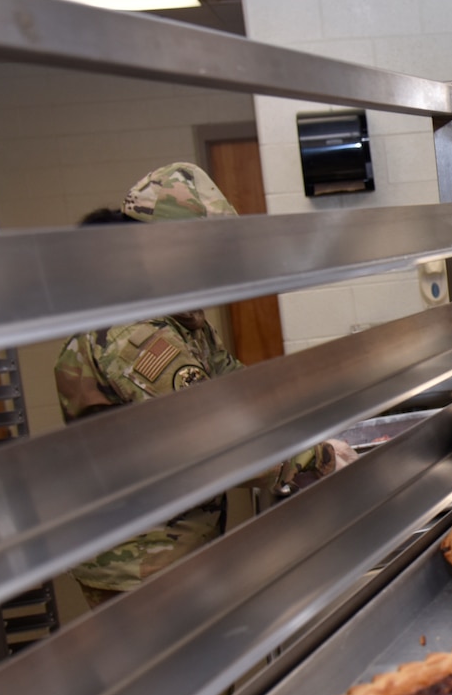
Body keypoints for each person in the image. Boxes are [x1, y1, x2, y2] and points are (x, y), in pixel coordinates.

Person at [53, 162, 356, 606]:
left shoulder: (178, 315)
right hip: (141, 563)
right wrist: (319, 459)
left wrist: (302, 426)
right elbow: (216, 433)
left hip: (178, 548)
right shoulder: (134, 333)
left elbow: (234, 386)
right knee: (174, 674)